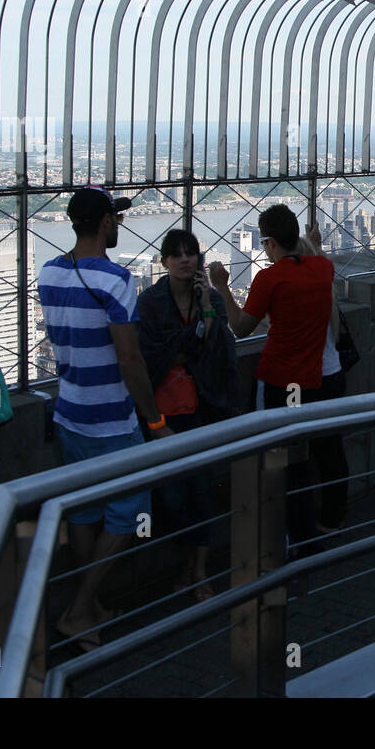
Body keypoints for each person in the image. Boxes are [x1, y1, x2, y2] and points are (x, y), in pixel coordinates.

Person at [38, 186, 171, 651]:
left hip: (69, 412)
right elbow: (130, 359)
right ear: (104, 223)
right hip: (112, 418)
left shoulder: (48, 273)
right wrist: (154, 420)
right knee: (131, 511)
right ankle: (79, 609)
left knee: (85, 509)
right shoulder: (116, 280)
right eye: (116, 217)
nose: (121, 224)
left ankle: (86, 606)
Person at [219, 204, 334, 555]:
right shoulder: (323, 268)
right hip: (310, 382)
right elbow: (310, 258)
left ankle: (279, 540)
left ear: (268, 242)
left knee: (273, 464)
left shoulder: (268, 279)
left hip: (277, 381)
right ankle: (304, 534)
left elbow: (240, 328)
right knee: (300, 462)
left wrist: (221, 287)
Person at [136, 230, 238, 604]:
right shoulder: (149, 303)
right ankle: (187, 566)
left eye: (190, 253)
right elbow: (154, 356)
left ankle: (197, 571)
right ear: (163, 261)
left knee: (201, 492)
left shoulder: (208, 298)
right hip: (163, 414)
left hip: (201, 407)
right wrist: (192, 345)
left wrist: (205, 310)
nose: (185, 260)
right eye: (176, 254)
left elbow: (215, 348)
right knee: (173, 498)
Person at [295, 231, 353, 526]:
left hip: (308, 381)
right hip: (333, 373)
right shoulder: (325, 285)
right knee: (330, 450)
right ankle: (333, 513)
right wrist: (316, 245)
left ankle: (305, 520)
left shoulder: (296, 290)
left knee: (300, 455)